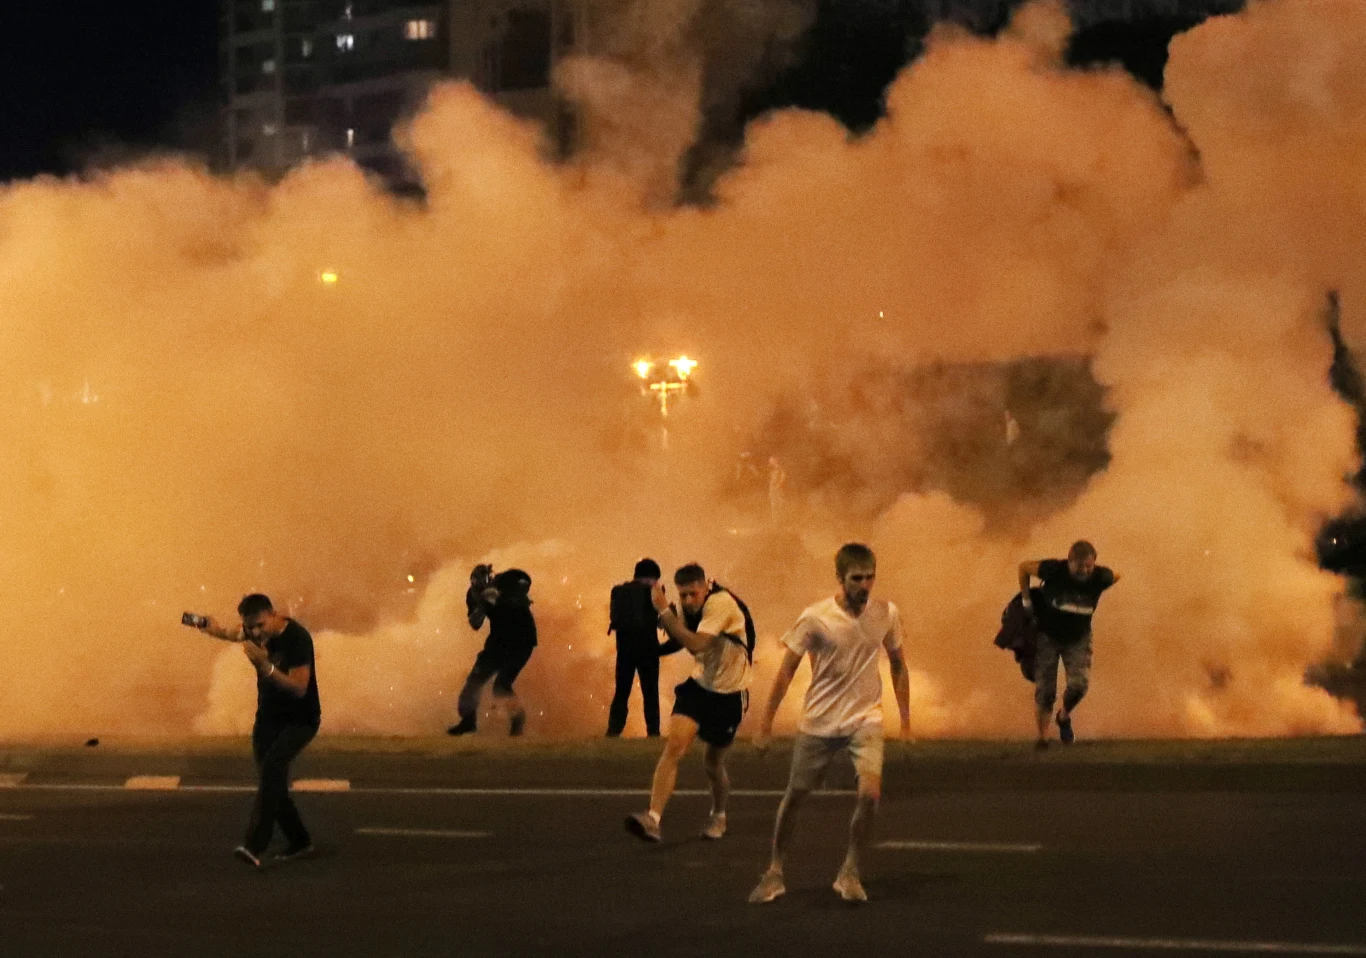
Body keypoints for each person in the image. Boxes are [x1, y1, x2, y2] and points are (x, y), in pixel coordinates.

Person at [749, 543, 910, 904]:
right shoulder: (815, 617)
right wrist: (764, 726)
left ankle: (850, 871)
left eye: (870, 577)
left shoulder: (887, 612)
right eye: (857, 578)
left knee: (870, 794)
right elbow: (786, 671)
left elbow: (899, 664)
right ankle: (774, 871)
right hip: (819, 722)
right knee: (795, 797)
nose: (865, 585)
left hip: (865, 719)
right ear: (840, 579)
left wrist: (906, 722)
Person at [625, 563, 754, 843]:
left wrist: (664, 611)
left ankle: (719, 816)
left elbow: (696, 644)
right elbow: (682, 637)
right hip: (699, 687)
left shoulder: (721, 604)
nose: (687, 601)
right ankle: (653, 819)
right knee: (674, 747)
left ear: (706, 587)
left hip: (729, 694)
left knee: (712, 763)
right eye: (683, 596)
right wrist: (654, 649)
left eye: (693, 595)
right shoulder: (692, 606)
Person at [192, 594, 321, 869]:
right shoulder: (251, 633)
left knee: (273, 769)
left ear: (274, 615)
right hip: (268, 720)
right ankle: (300, 841)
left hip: (300, 720)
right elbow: (229, 632)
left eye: (261, 625)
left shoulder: (297, 639)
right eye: (250, 627)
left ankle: (254, 846)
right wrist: (208, 627)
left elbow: (299, 688)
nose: (255, 633)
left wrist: (266, 667)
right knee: (271, 779)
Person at [1018, 540, 1120, 750]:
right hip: (1047, 636)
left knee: (1079, 685)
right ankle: (1043, 739)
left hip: (1079, 638)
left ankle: (1064, 716)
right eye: (1079, 566)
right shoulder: (1053, 570)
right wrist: (1026, 600)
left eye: (1088, 566)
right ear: (1069, 562)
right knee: (1045, 689)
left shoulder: (1102, 577)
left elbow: (1116, 576)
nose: (1084, 571)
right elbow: (1024, 567)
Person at [448, 565, 537, 737]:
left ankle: (518, 721)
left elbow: (524, 580)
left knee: (501, 685)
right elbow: (475, 623)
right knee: (474, 680)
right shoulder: (474, 595)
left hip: (521, 639)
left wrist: (507, 594)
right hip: (498, 641)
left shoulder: (506, 581)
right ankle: (468, 721)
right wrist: (483, 604)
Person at [606, 559, 682, 738]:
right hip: (648, 649)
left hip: (624, 649)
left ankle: (613, 730)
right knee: (650, 693)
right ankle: (653, 732)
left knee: (621, 692)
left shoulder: (618, 591)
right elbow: (662, 619)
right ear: (653, 578)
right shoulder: (654, 591)